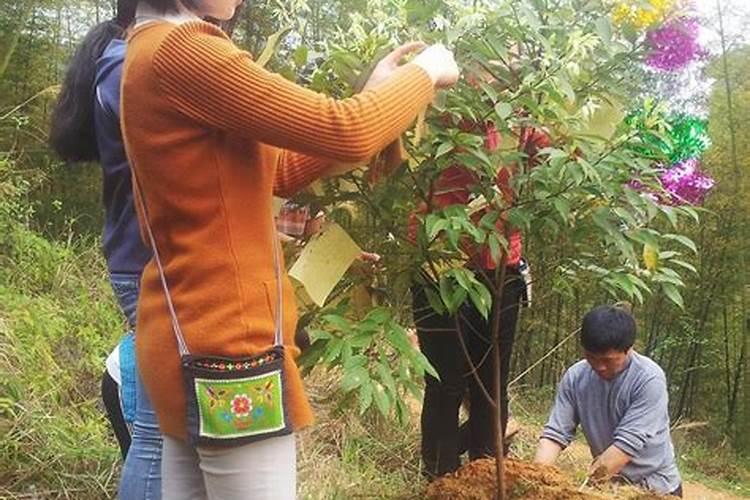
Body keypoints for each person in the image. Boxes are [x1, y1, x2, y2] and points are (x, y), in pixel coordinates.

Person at [119, 0, 459, 496]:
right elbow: (347, 131)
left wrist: (373, 97)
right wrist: (425, 73)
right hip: (227, 350)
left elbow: (277, 169)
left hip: (186, 335)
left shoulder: (152, 47)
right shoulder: (184, 50)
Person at [49, 2, 163, 497]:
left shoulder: (120, 62)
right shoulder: (128, 63)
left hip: (138, 259)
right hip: (147, 263)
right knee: (158, 435)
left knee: (162, 435)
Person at [408, 124, 545, 478]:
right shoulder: (438, 97)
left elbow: (552, 161)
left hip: (502, 264)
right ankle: (441, 479)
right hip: (440, 262)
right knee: (446, 381)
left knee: (492, 380)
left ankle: (485, 476)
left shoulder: (524, 108)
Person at [534, 305, 683, 497]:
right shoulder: (576, 377)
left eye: (608, 360)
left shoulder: (648, 379)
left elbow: (625, 448)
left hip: (656, 489)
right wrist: (536, 479)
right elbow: (554, 435)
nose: (599, 366)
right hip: (610, 487)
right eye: (591, 357)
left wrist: (584, 490)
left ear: (629, 349)